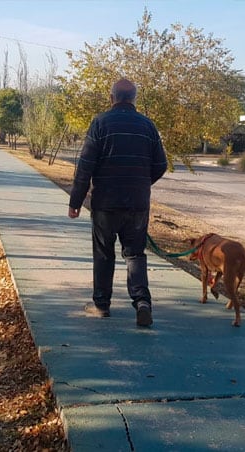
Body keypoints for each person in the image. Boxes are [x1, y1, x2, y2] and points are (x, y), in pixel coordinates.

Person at [68, 78, 168, 327]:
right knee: (135, 253)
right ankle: (142, 302)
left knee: (104, 253)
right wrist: (141, 184)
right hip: (137, 203)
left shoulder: (100, 123)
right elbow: (160, 164)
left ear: (111, 98)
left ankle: (102, 305)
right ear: (134, 99)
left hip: (106, 202)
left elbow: (85, 166)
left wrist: (75, 201)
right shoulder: (148, 125)